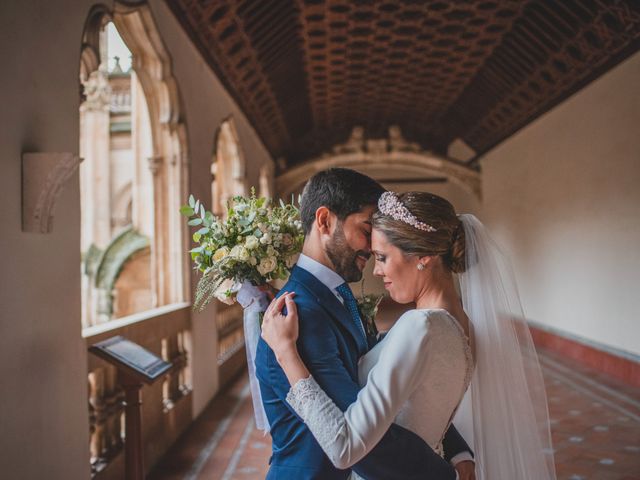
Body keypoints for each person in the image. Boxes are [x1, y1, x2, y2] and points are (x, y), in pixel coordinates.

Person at [261, 190, 557, 480]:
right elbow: (423, 405)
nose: (376, 271)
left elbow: (344, 447)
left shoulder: (421, 327)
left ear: (423, 256)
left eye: (383, 257)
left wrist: (287, 354)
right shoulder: (465, 326)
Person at [254, 170, 475, 479]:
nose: (373, 247)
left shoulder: (338, 298)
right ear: (325, 221)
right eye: (367, 228)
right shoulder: (300, 313)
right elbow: (362, 441)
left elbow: (397, 390)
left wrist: (454, 447)